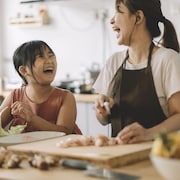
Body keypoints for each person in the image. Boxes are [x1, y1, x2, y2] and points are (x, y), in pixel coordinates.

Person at [93, 0, 180, 144]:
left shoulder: (168, 60)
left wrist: (148, 134)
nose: (111, 20)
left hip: (156, 161)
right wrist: (102, 112)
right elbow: (103, 120)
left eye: (118, 11)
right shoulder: (114, 62)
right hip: (116, 159)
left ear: (138, 18)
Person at [0, 40, 82, 135]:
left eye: (51, 56)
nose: (49, 61)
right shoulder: (15, 96)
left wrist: (32, 118)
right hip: (25, 149)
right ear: (24, 70)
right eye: (41, 57)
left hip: (57, 148)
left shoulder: (66, 97)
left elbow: (64, 132)